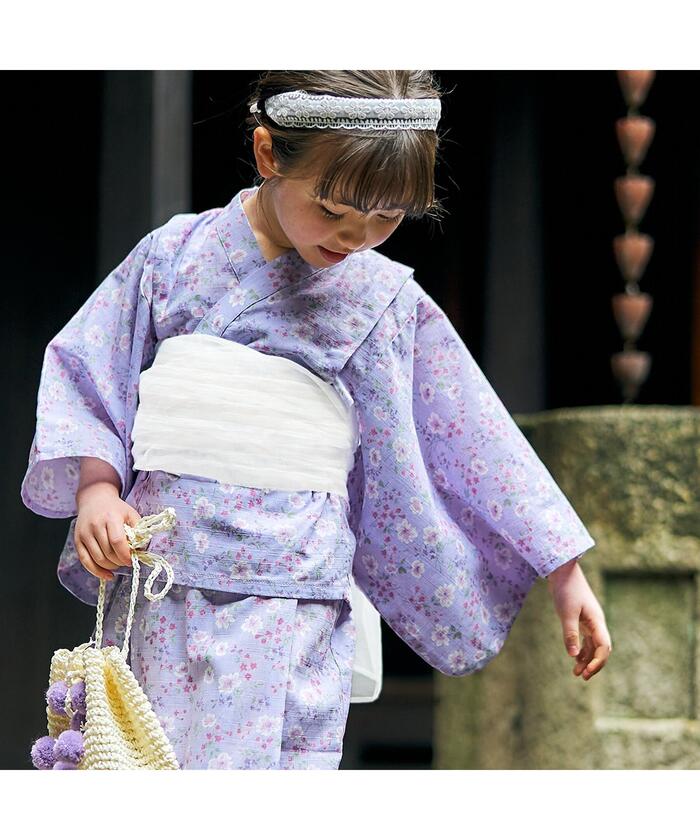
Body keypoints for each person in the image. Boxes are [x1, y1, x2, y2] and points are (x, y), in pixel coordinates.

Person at [20, 70, 612, 771]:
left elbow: (472, 431)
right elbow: (93, 369)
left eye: (386, 218)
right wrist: (97, 488)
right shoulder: (172, 258)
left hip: (296, 594)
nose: (356, 236)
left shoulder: (382, 296)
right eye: (334, 210)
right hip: (165, 583)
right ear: (270, 155)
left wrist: (562, 569)